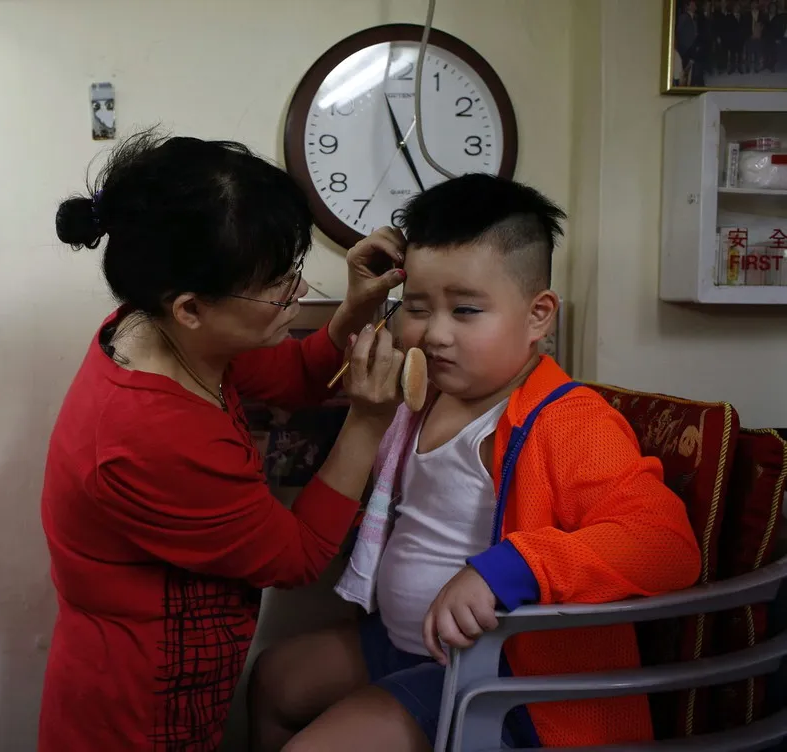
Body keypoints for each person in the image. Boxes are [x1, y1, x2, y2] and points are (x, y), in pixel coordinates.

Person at [249, 174, 702, 751]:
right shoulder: (422, 396)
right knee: (276, 679)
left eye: (465, 310)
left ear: (539, 316)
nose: (434, 334)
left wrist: (508, 568)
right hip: (402, 637)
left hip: (498, 666)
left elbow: (665, 544)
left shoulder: (566, 420)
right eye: (415, 306)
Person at [37, 128, 409, 752]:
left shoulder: (158, 329)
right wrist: (368, 421)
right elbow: (297, 556)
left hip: (183, 674)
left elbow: (292, 377)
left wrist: (353, 311)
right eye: (274, 284)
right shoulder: (151, 433)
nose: (296, 292)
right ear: (189, 306)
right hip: (136, 708)